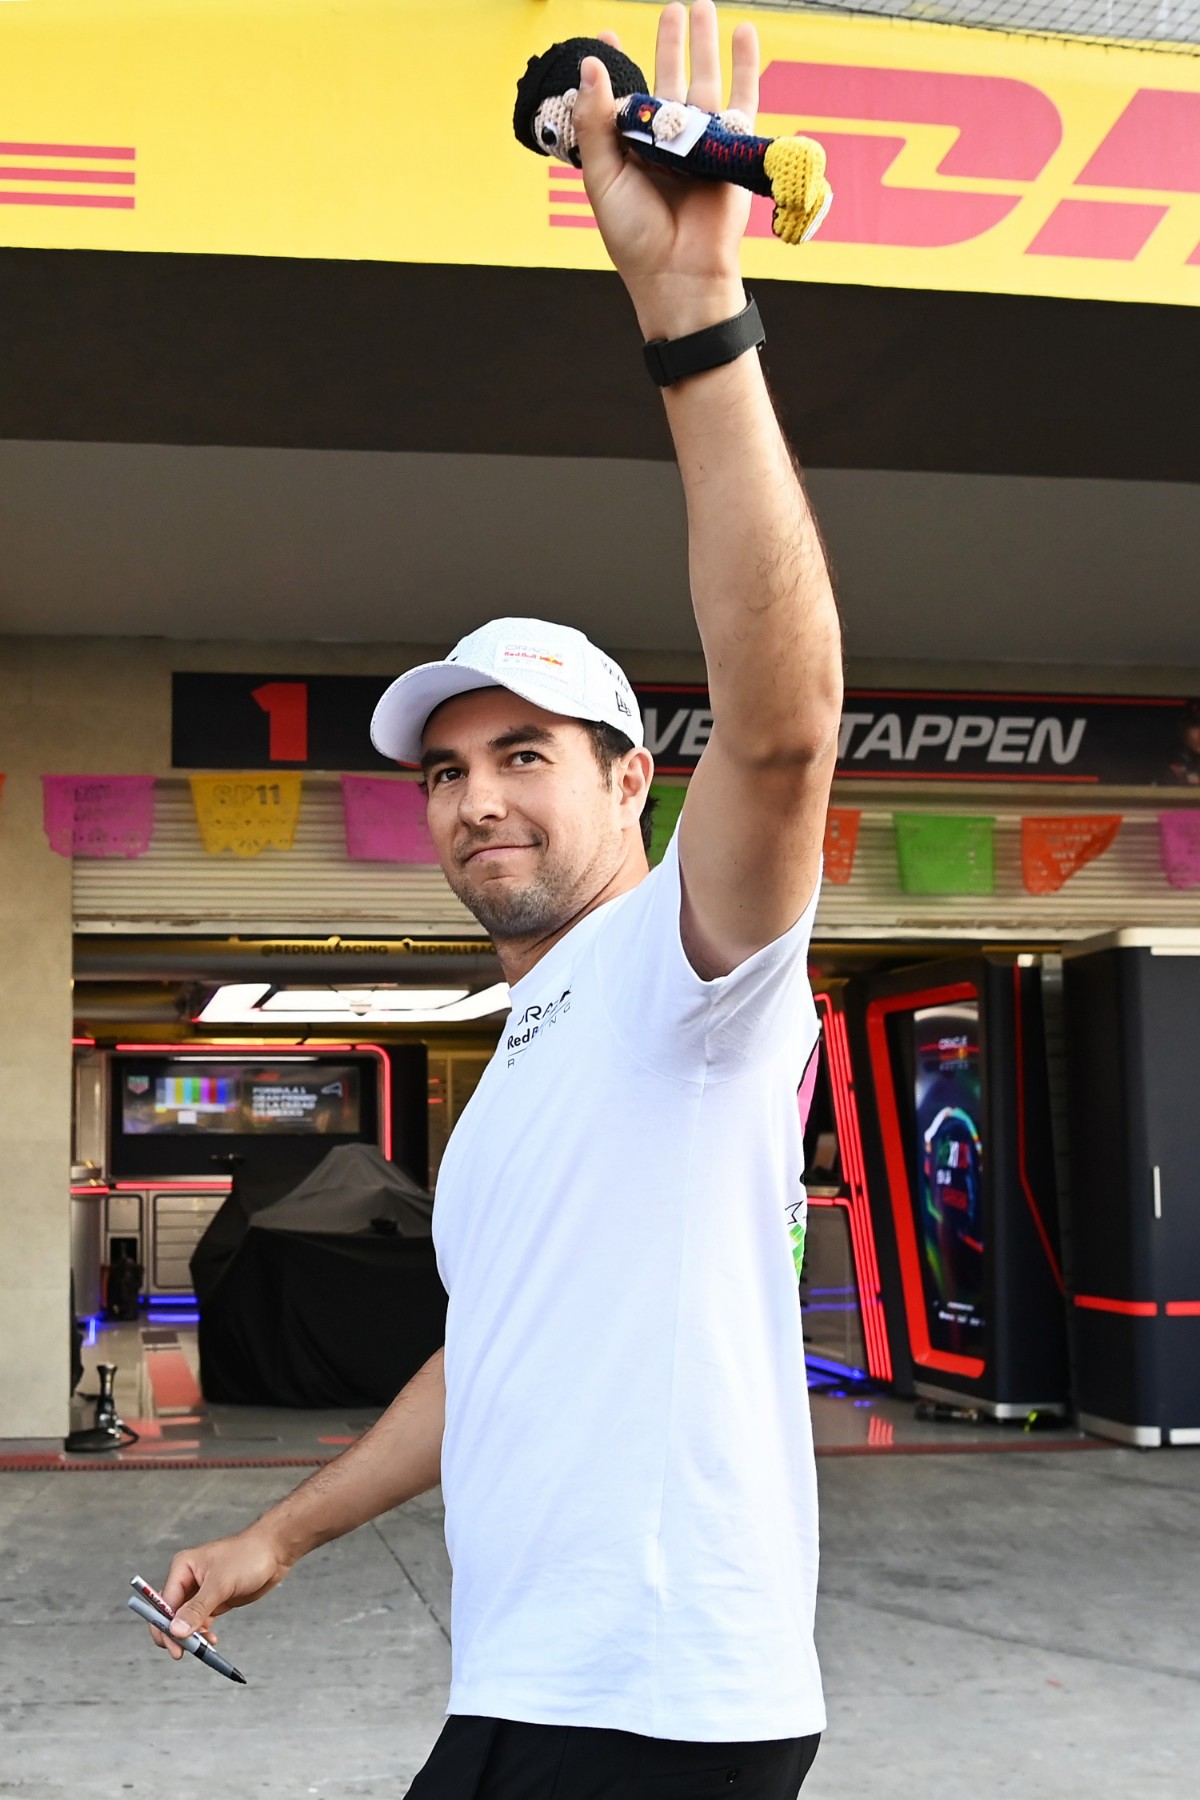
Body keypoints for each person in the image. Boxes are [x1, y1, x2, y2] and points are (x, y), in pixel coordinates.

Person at [149, 6, 843, 1793]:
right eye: (446, 772)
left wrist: (694, 317)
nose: (473, 802)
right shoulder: (529, 1035)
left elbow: (782, 735)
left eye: (525, 754)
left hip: (670, 1698)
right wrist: (282, 1537)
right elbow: (488, 1366)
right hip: (536, 1678)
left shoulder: (684, 970)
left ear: (629, 781)